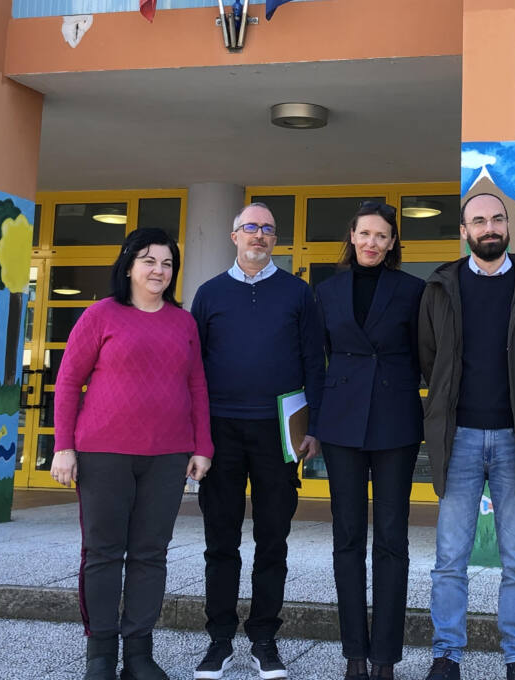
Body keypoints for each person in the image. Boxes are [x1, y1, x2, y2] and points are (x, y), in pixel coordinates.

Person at [50, 227, 212, 680]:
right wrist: (64, 445)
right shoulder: (101, 315)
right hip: (103, 453)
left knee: (150, 554)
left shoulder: (183, 322)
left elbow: (197, 384)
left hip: (167, 456)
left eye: (166, 263)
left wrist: (203, 446)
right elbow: (67, 382)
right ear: (128, 265)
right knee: (102, 553)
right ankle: (101, 655)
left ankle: (139, 655)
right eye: (148, 260)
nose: (158, 270)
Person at [418, 193, 515, 680]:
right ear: (463, 230)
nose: (489, 227)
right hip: (457, 438)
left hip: (514, 439)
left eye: (497, 219)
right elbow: (429, 357)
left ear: (508, 226)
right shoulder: (441, 286)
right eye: (478, 220)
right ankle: (447, 656)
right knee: (449, 559)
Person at [190, 202, 325, 680]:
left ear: (275, 240)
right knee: (219, 542)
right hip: (221, 432)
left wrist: (314, 428)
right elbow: (194, 371)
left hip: (278, 434)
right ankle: (220, 640)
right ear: (234, 236)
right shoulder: (209, 294)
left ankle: (264, 638)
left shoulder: (298, 293)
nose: (259, 236)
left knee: (273, 540)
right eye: (251, 228)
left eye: (268, 230)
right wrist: (196, 437)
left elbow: (314, 362)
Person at [313, 202, 426, 680]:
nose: (372, 243)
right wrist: (312, 427)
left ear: (393, 242)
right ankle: (354, 656)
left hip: (395, 421)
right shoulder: (324, 291)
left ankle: (385, 659)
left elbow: (428, 355)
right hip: (340, 423)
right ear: (352, 235)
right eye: (365, 234)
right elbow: (314, 360)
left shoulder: (414, 290)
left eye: (382, 236)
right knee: (348, 538)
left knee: (392, 539)